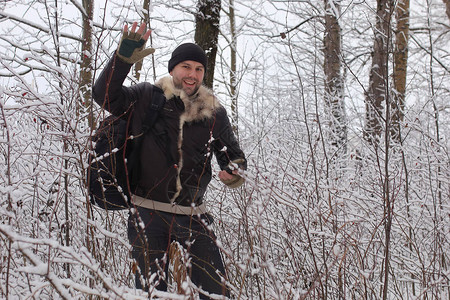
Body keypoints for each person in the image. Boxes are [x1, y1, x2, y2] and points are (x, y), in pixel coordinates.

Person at [92, 22, 247, 299]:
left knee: (216, 292)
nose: (192, 74)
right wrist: (122, 58)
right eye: (186, 67)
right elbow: (104, 96)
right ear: (172, 69)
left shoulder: (214, 113)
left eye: (199, 69)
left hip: (193, 214)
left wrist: (233, 172)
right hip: (147, 213)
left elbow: (233, 156)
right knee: (151, 293)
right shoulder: (146, 98)